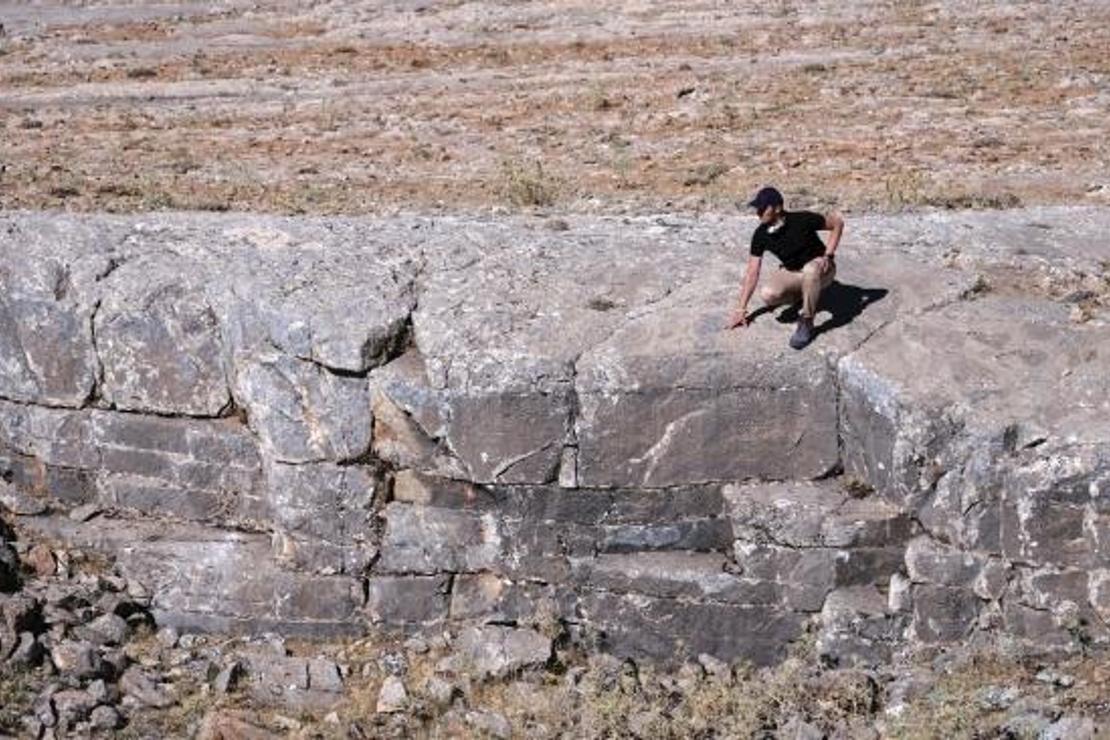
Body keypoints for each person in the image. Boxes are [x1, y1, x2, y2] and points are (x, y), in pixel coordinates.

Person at [727, 186, 844, 349]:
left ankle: (807, 321)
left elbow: (837, 223)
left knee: (811, 269)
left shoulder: (802, 219)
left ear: (777, 208)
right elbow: (752, 272)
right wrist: (741, 309)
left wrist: (828, 255)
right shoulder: (761, 234)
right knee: (768, 295)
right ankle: (806, 294)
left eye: (762, 208)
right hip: (795, 272)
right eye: (757, 208)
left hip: (822, 271)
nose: (758, 212)